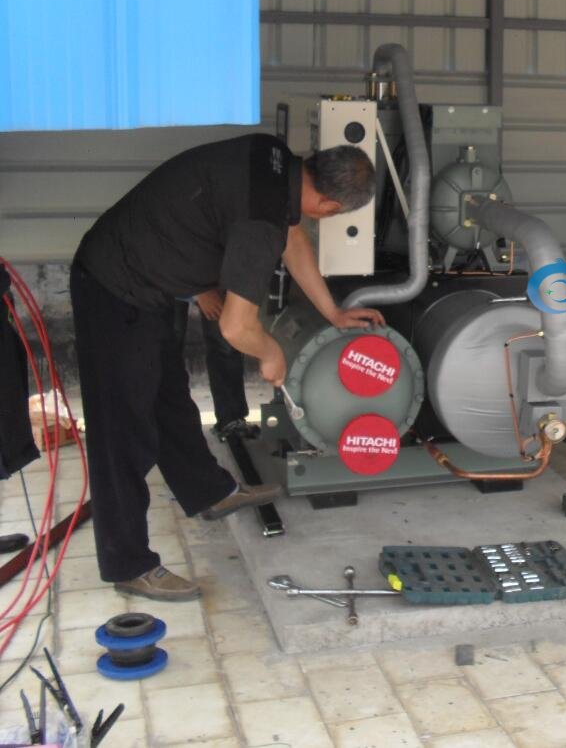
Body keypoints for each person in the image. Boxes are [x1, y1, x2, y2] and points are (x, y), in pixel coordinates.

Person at [71, 133, 385, 601]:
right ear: (329, 205)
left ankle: (207, 492)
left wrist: (333, 312)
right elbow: (237, 328)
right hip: (113, 285)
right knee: (122, 431)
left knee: (168, 397)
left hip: (147, 279)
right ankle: (128, 563)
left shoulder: (275, 158)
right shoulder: (261, 224)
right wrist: (271, 352)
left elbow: (293, 238)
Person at [173, 288, 253, 443]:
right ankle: (165, 421)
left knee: (225, 345)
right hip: (169, 282)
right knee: (166, 350)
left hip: (213, 282)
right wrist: (200, 292)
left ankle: (231, 419)